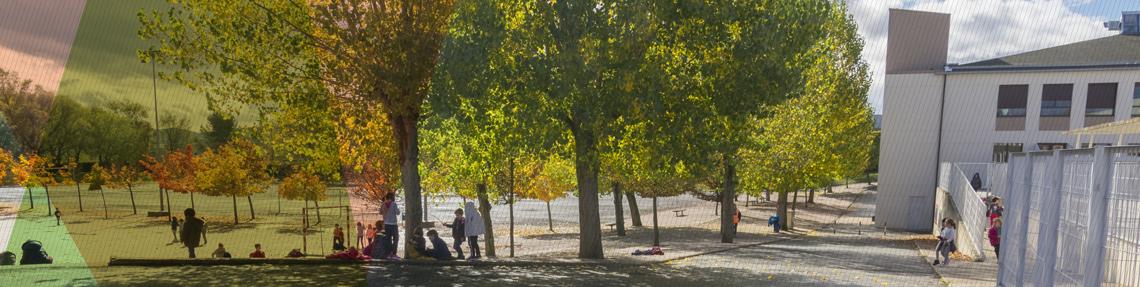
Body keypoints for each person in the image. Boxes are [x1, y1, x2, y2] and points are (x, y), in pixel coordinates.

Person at [379, 193, 400, 259]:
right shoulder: (394, 204)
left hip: (386, 224)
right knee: (396, 239)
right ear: (391, 197)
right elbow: (398, 213)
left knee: (388, 239)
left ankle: (389, 254)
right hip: (393, 224)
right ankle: (394, 254)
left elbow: (380, 212)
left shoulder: (383, 204)